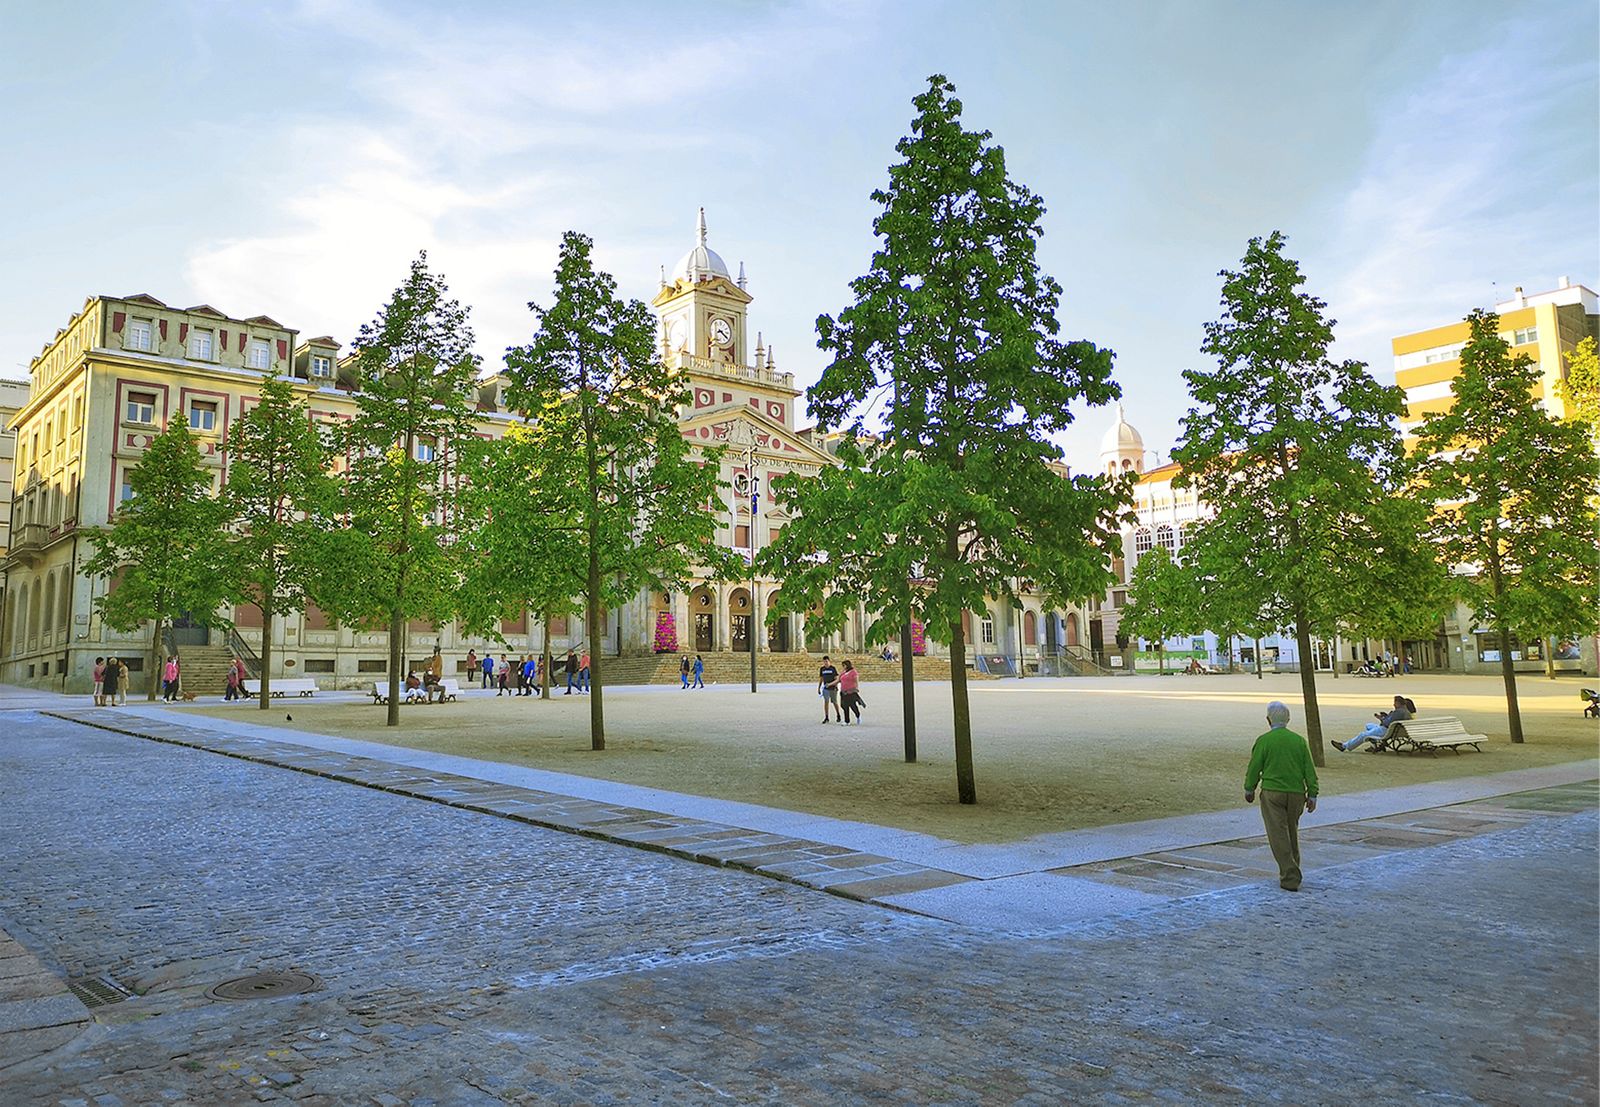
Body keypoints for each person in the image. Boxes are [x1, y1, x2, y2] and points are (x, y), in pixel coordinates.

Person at [1244, 701, 1320, 892]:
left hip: (1272, 791)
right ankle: (1294, 866)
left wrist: (1249, 788)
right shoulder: (1299, 741)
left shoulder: (1264, 740)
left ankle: (1290, 875)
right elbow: (1308, 770)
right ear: (1288, 719)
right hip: (1296, 792)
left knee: (1278, 834)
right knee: (1292, 832)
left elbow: (1255, 767)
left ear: (1268, 720)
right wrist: (1313, 793)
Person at [1333, 695, 1415, 752]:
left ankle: (1344, 746)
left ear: (1398, 703)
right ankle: (1376, 744)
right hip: (1394, 730)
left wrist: (1381, 718)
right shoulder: (1405, 711)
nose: (1393, 704)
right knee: (1369, 725)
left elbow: (1386, 723)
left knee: (1363, 735)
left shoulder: (1399, 712)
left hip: (1386, 731)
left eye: (1395, 703)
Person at [839, 660, 865, 724]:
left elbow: (856, 681)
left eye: (844, 665)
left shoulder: (853, 672)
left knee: (852, 705)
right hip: (843, 692)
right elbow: (839, 679)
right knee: (844, 705)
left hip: (851, 692)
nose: (843, 667)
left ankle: (858, 716)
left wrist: (856, 688)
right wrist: (830, 684)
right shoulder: (843, 672)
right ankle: (847, 721)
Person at [817, 655, 841, 723]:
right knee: (826, 702)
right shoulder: (822, 669)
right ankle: (826, 717)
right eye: (824, 662)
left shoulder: (833, 668)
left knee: (834, 702)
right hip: (825, 688)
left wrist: (835, 685)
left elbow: (836, 678)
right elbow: (821, 679)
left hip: (833, 688)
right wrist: (819, 688)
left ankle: (838, 715)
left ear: (829, 661)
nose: (825, 663)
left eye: (826, 661)